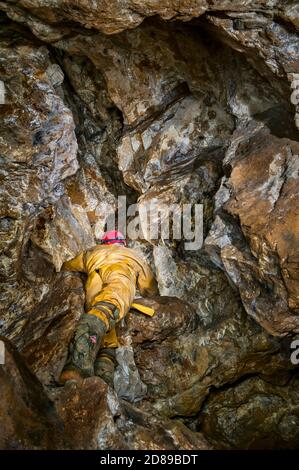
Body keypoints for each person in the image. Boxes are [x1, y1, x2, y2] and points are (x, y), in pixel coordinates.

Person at [59, 230, 158, 386]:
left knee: (105, 330)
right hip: (119, 281)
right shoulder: (133, 255)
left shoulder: (92, 251)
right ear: (122, 243)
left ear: (104, 243)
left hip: (94, 284)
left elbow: (66, 266)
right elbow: (150, 288)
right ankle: (79, 368)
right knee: (107, 313)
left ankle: (97, 380)